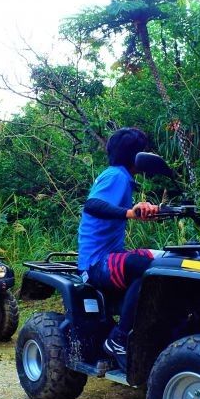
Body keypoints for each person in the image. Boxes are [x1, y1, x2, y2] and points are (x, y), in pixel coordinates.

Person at [77, 127, 159, 369]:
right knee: (147, 269)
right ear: (136, 156)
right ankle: (119, 338)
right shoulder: (117, 176)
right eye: (143, 152)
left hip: (109, 257)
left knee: (163, 260)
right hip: (96, 263)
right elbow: (92, 205)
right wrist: (130, 213)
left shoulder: (119, 177)